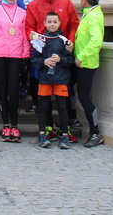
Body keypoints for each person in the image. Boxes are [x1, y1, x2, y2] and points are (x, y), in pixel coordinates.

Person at [0, 0, 30, 141]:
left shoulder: (22, 12)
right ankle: (5, 125)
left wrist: (25, 54)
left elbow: (24, 35)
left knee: (13, 93)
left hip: (16, 55)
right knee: (2, 91)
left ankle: (15, 125)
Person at [30, 12, 74, 149]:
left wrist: (61, 60)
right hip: (45, 79)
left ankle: (65, 135)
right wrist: (44, 61)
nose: (52, 24)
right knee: (43, 107)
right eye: (49, 22)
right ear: (44, 23)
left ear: (60, 23)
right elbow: (33, 59)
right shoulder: (40, 40)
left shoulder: (63, 40)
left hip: (61, 78)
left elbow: (70, 60)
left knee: (62, 107)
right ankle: (42, 134)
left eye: (55, 22)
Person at [74, 0, 105, 148]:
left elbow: (96, 41)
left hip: (87, 63)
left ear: (85, 0)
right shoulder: (91, 13)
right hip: (83, 62)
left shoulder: (93, 16)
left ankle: (95, 132)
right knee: (80, 95)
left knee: (85, 98)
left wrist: (81, 57)